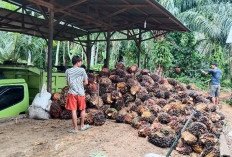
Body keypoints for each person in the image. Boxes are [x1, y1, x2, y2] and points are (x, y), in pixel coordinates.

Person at [65, 56, 89, 133]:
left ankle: (75, 128)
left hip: (72, 93)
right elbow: (86, 82)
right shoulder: (82, 70)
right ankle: (82, 126)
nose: (81, 63)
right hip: (81, 93)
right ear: (78, 62)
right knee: (82, 109)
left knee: (73, 110)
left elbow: (68, 83)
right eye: (80, 62)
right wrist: (80, 85)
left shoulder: (68, 71)